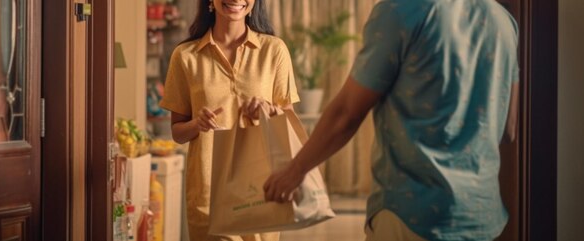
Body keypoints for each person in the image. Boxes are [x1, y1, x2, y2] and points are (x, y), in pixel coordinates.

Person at [263, 0, 520, 240]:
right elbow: (508, 129)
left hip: (412, 215)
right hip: (483, 217)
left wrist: (294, 170)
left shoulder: (402, 11)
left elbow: (347, 114)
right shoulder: (503, 21)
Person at [159, 0, 299, 240]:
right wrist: (196, 124)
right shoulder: (185, 56)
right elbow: (177, 133)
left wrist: (269, 110)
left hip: (260, 190)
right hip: (208, 193)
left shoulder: (274, 50)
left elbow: (289, 125)